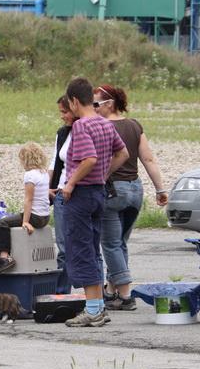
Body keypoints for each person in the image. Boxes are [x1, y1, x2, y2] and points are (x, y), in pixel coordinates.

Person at [93, 84, 168, 310]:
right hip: (135, 190)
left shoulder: (101, 127)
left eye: (96, 104)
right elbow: (148, 159)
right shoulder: (135, 125)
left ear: (110, 104)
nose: (93, 108)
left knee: (111, 244)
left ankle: (125, 295)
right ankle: (111, 290)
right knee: (120, 243)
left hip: (112, 191)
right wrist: (160, 189)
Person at [62, 77, 129, 327]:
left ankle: (91, 310)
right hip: (98, 193)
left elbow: (88, 158)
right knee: (92, 248)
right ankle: (99, 306)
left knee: (81, 249)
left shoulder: (81, 126)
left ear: (74, 101)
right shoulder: (104, 123)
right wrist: (104, 173)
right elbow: (123, 153)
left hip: (81, 194)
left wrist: (70, 183)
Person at [0, 142, 51, 274]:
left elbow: (29, 200)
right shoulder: (44, 173)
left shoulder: (30, 175)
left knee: (1, 223)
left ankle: (4, 258)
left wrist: (25, 221)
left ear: (26, 159)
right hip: (45, 217)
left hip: (35, 217)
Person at [47, 95, 75, 294]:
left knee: (79, 246)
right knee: (63, 246)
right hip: (60, 194)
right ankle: (61, 292)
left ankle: (92, 293)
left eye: (65, 112)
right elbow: (54, 162)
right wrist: (48, 186)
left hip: (78, 193)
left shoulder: (86, 131)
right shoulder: (62, 133)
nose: (62, 116)